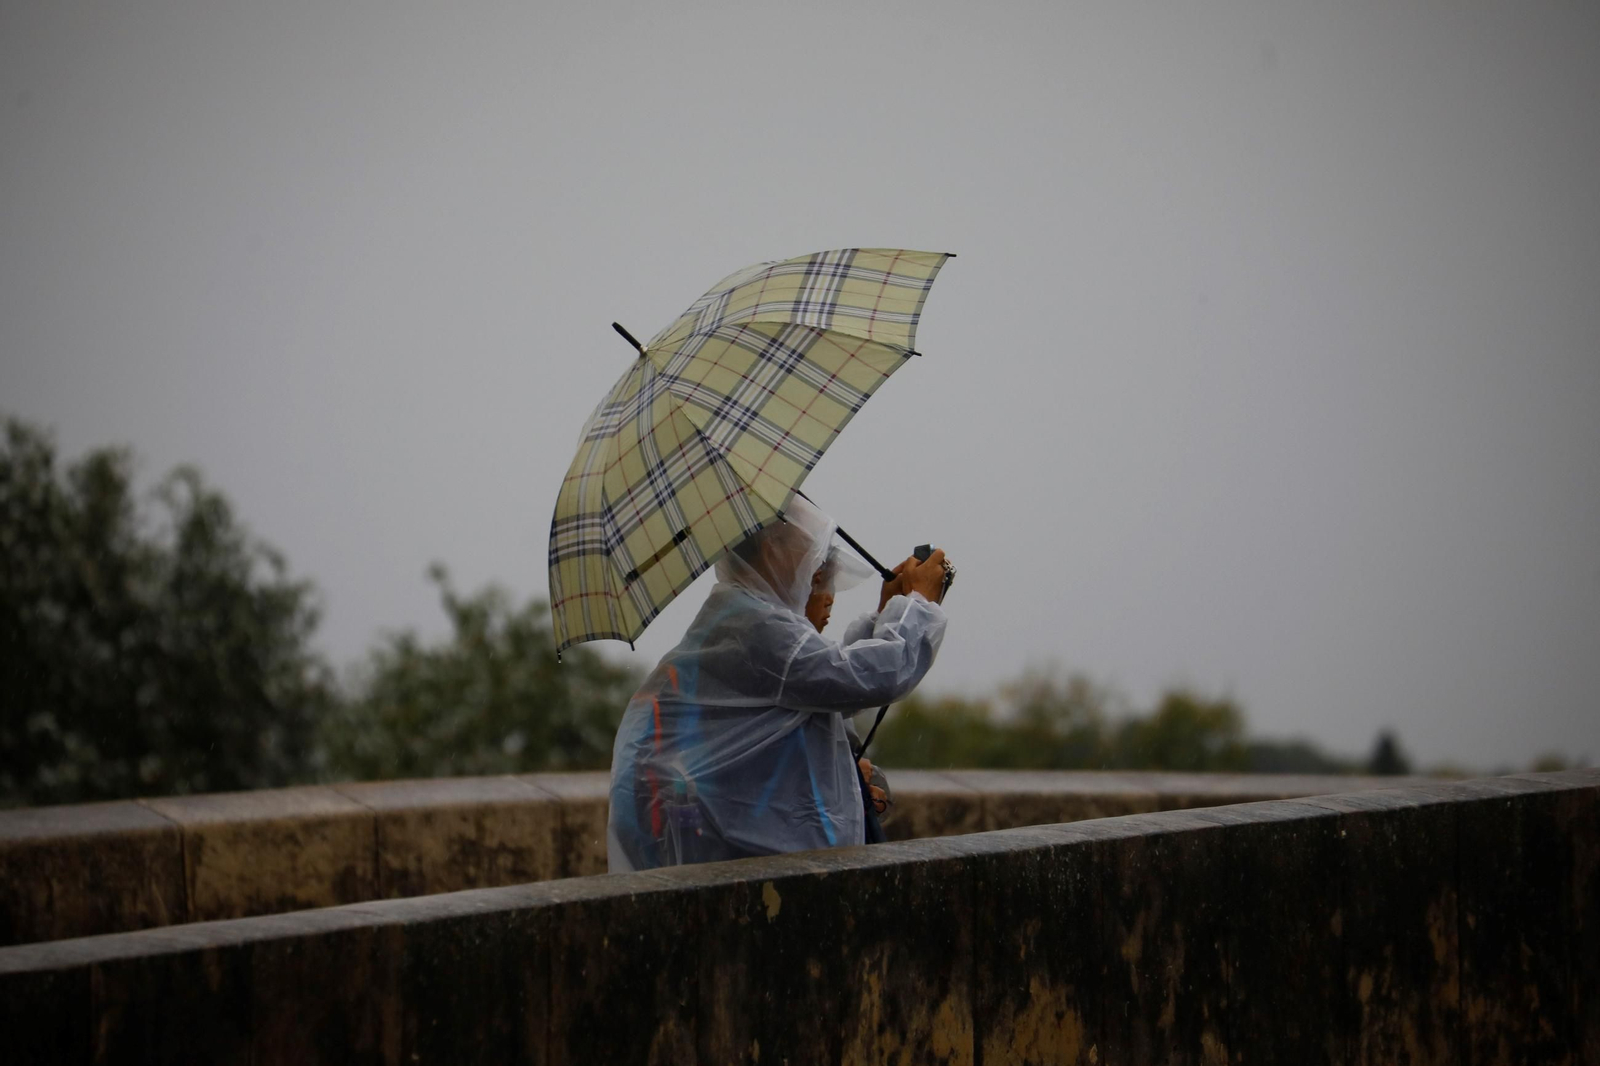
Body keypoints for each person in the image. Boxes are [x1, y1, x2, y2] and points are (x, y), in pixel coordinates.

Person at [606, 495, 952, 872]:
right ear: (773, 548)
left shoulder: (743, 615)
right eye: (810, 550)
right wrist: (919, 603)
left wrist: (888, 613)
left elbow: (825, 685)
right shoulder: (755, 625)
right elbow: (871, 676)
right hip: (752, 867)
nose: (816, 568)